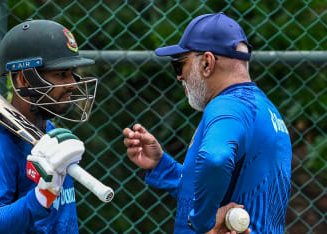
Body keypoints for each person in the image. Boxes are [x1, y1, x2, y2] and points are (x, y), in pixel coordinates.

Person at [123, 12, 291, 234]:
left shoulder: (228, 105)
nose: (179, 77)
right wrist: (161, 165)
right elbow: (218, 183)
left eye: (179, 65)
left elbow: (214, 160)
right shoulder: (266, 109)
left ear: (207, 63)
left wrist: (203, 222)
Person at [0, 19, 98, 233]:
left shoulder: (51, 134)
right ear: (24, 79)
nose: (73, 84)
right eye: (60, 75)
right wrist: (40, 199)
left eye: (72, 73)